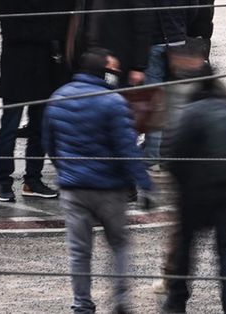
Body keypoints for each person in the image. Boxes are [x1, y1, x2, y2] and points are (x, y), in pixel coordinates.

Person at [43, 48, 152, 314]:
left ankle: (82, 304)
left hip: (73, 189)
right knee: (118, 244)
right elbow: (127, 148)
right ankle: (121, 300)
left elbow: (50, 143)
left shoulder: (58, 98)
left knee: (79, 252)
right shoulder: (112, 102)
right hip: (109, 189)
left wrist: (66, 170)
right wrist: (144, 183)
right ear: (103, 72)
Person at [161, 65, 226, 314]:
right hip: (224, 191)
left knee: (186, 247)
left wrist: (181, 184)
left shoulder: (188, 113)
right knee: (224, 248)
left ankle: (176, 302)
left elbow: (172, 154)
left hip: (192, 194)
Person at [0, 0, 66, 203]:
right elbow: (15, 32)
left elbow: (57, 26)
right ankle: (3, 181)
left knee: (39, 130)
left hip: (44, 75)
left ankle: (32, 180)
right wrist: (43, 30)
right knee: (9, 129)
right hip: (17, 75)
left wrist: (39, 30)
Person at [135, 0, 199, 161]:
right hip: (178, 46)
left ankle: (152, 156)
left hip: (151, 46)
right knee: (175, 104)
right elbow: (193, 9)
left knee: (154, 105)